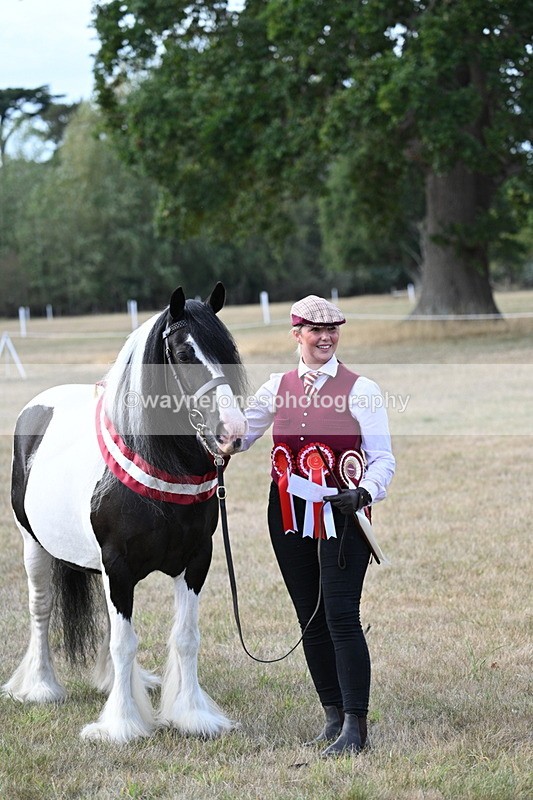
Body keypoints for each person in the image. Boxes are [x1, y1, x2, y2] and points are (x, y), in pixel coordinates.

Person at [242, 294, 395, 757]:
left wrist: (364, 492)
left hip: (344, 513)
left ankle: (356, 726)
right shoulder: (275, 387)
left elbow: (383, 458)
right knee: (309, 617)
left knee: (342, 615)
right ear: (297, 334)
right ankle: (332, 717)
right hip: (287, 515)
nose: (325, 337)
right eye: (315, 330)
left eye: (332, 331)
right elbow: (237, 436)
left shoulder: (361, 388)